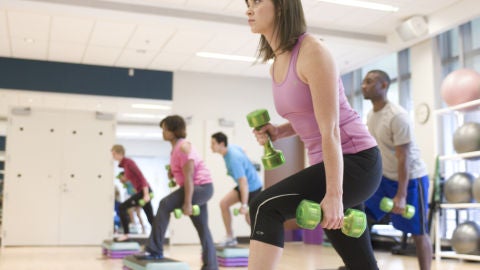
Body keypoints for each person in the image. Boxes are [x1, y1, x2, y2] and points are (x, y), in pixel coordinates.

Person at [244, 1, 382, 269]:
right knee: (361, 264)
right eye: (248, 4)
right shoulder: (277, 63)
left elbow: (330, 127)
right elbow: (309, 115)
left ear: (282, 7)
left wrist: (334, 194)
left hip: (356, 161)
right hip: (332, 165)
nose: (249, 10)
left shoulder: (312, 51)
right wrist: (278, 130)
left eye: (257, 2)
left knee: (264, 206)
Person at [361, 70, 432, 270]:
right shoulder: (371, 114)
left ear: (384, 85)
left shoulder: (397, 116)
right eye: (363, 82)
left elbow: (404, 158)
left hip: (411, 179)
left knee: (419, 232)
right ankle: (360, 264)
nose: (363, 86)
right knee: (362, 217)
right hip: (384, 178)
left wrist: (401, 195)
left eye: (369, 81)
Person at [135, 115, 218, 270]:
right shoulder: (175, 149)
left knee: (164, 204)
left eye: (165, 129)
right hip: (200, 188)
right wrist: (173, 173)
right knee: (203, 227)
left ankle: (154, 250)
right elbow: (182, 171)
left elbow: (189, 177)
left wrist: (187, 203)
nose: (163, 132)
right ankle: (211, 266)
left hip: (199, 188)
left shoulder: (183, 147)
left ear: (173, 131)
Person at [210, 132, 263, 247]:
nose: (211, 146)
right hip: (244, 186)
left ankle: (262, 241)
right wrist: (249, 164)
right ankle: (230, 237)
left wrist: (244, 205)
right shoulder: (231, 149)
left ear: (222, 144)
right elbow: (243, 149)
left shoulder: (233, 159)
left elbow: (243, 183)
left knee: (249, 218)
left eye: (213, 143)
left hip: (252, 187)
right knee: (224, 204)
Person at [111, 145, 154, 242]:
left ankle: (126, 234)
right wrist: (125, 179)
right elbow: (132, 178)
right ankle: (157, 237)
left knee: (122, 207)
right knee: (150, 218)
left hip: (144, 191)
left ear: (119, 153)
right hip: (141, 191)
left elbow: (141, 177)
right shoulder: (125, 165)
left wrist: (146, 194)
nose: (112, 156)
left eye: (113, 153)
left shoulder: (129, 162)